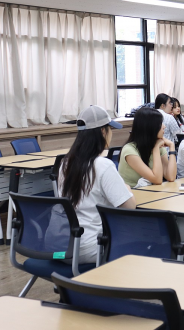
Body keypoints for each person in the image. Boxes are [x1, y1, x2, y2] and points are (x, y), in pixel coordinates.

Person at [53, 105, 136, 264]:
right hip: (90, 248)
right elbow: (129, 207)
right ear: (103, 131)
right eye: (110, 129)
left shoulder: (65, 164)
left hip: (62, 246)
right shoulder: (103, 165)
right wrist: (126, 189)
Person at [118, 107, 177, 187]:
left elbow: (171, 177)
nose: (164, 126)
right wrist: (155, 148)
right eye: (160, 124)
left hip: (150, 193)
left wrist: (172, 146)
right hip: (132, 194)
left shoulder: (157, 145)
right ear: (150, 127)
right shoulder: (129, 150)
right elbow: (157, 179)